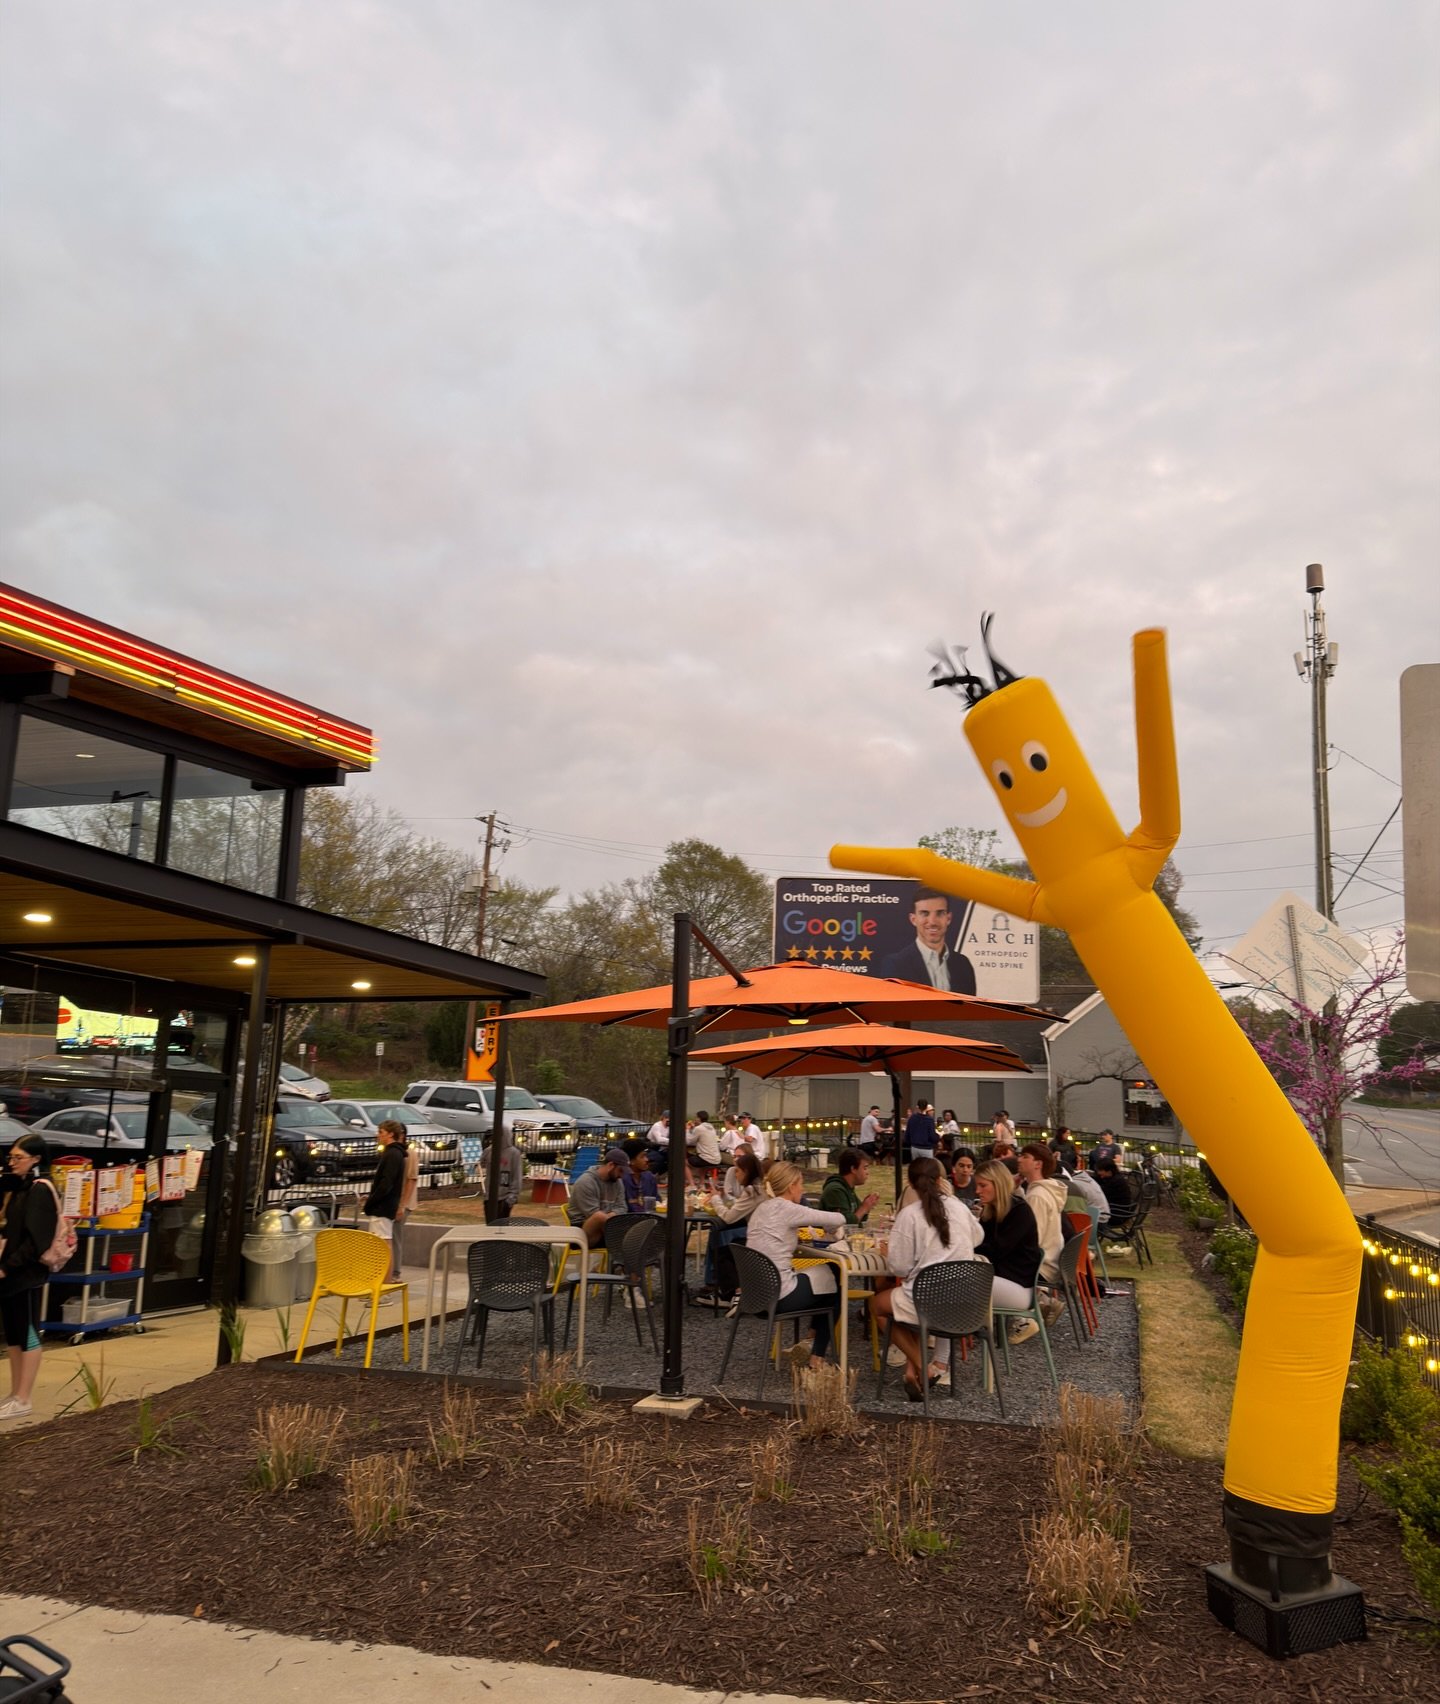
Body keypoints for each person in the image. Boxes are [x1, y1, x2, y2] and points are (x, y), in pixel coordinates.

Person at [871, 1157, 983, 1399]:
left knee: (879, 1306)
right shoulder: (959, 1207)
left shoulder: (909, 1215)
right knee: (904, 1303)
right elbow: (978, 1237)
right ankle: (914, 1371)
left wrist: (892, 1253)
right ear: (941, 1180)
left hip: (926, 1301)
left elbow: (900, 1268)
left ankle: (922, 1365)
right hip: (966, 1304)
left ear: (910, 1184)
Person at [744, 1161, 847, 1367]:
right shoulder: (788, 1208)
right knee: (835, 1278)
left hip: (754, 1297)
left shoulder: (760, 1209)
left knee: (827, 1288)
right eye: (801, 1183)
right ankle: (817, 1357)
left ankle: (810, 1343)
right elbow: (839, 1217)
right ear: (791, 1186)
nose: (803, 1189)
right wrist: (830, 1228)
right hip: (778, 1297)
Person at [0, 1134, 59, 1421]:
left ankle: (25, 1396)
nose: (12, 1163)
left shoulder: (40, 1191)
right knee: (13, 1333)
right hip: (11, 1274)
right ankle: (15, 1393)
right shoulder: (18, 1189)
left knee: (28, 1332)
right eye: (10, 1157)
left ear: (36, 1159)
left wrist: (7, 1266)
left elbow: (36, 1240)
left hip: (26, 1274)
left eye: (18, 1157)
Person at [973, 1159, 1045, 1344]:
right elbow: (983, 1245)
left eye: (983, 1185)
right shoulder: (992, 1211)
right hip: (1003, 1279)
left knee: (951, 1285)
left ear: (998, 1184)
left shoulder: (1020, 1212)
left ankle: (939, 1352)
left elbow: (995, 1250)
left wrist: (966, 1247)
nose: (977, 1191)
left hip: (1020, 1287)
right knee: (948, 1283)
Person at [696, 1150, 765, 1301]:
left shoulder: (751, 1190)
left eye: (738, 1171)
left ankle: (731, 1295)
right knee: (726, 1244)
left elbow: (728, 1218)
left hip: (758, 1240)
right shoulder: (761, 1187)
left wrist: (715, 1199)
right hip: (764, 1237)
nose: (736, 1174)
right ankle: (733, 1291)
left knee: (722, 1253)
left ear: (746, 1171)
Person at [880, 888, 977, 992]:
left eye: (940, 913)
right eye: (924, 913)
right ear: (913, 919)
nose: (932, 921)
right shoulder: (896, 964)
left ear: (948, 918)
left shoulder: (963, 964)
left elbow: (972, 1007)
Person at [1016, 1142, 1068, 1323]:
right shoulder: (1045, 1189)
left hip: (1042, 1265)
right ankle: (1042, 1301)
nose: (1019, 1159)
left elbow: (1031, 1236)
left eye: (1025, 1157)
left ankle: (1026, 1317)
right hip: (1052, 1258)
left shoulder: (1037, 1196)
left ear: (1037, 1164)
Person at [361, 1120, 408, 1258]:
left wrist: (372, 1200)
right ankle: (383, 1277)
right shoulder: (394, 1153)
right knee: (381, 1244)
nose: (378, 1135)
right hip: (385, 1205)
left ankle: (385, 1278)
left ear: (391, 1134)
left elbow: (386, 1183)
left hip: (383, 1207)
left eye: (381, 1132)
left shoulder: (393, 1154)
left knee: (383, 1244)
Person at [568, 1148, 629, 1247]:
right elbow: (593, 1214)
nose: (621, 1175)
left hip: (607, 1227)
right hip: (581, 1231)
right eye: (620, 1171)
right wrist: (613, 1217)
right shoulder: (586, 1182)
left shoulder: (618, 1182)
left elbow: (622, 1207)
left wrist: (611, 1216)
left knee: (635, 1239)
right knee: (599, 1217)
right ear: (610, 1165)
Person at [818, 1148, 880, 1225]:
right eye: (864, 1168)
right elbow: (845, 1223)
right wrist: (864, 1208)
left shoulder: (848, 1189)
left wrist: (867, 1207)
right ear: (853, 1169)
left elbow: (859, 1219)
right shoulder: (835, 1190)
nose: (867, 1172)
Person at [478, 1127, 526, 1221]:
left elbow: (517, 1176)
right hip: (490, 1197)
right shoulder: (489, 1151)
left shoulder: (514, 1153)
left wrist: (511, 1199)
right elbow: (480, 1165)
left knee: (502, 1227)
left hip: (505, 1198)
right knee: (490, 1227)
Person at [391, 1128, 422, 1276]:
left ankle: (395, 1271)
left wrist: (402, 1205)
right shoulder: (394, 1153)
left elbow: (411, 1180)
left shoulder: (410, 1154)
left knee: (395, 1236)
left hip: (403, 1203)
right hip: (394, 1202)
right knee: (390, 1237)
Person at [1093, 1156, 1136, 1224]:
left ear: (1109, 1171)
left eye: (1100, 1171)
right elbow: (1096, 1178)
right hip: (1116, 1210)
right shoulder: (1113, 1177)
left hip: (1116, 1215)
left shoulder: (1116, 1181)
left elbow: (1099, 1193)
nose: (1098, 1173)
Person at [688, 1110, 722, 1184]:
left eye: (695, 1117)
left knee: (683, 1162)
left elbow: (689, 1141)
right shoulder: (711, 1127)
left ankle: (692, 1185)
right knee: (701, 1158)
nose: (694, 1119)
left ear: (699, 1119)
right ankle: (701, 1184)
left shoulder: (698, 1129)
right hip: (716, 1159)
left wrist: (687, 1129)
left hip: (706, 1158)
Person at [624, 1149, 660, 1213]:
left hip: (649, 1217)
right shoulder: (623, 1179)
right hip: (627, 1219)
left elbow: (656, 1199)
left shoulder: (650, 1177)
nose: (647, 1160)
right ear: (631, 1161)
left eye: (646, 1156)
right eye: (642, 1157)